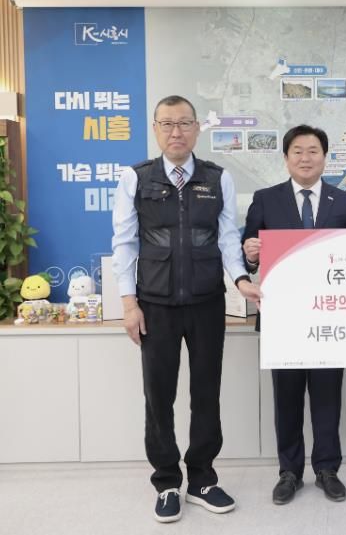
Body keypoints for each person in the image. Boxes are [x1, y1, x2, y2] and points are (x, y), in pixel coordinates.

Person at [112, 95, 260, 523]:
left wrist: (241, 280)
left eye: (184, 123)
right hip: (155, 304)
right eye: (167, 124)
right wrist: (129, 304)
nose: (176, 132)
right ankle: (166, 482)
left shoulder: (217, 178)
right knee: (158, 396)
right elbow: (125, 243)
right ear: (156, 129)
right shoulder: (136, 178)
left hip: (207, 302)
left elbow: (227, 238)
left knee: (206, 393)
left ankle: (202, 479)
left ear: (196, 129)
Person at [241, 124, 346, 505]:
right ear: (286, 157)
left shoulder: (344, 202)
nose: (305, 158)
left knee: (328, 398)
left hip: (329, 319)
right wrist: (251, 254)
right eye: (298, 151)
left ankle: (327, 469)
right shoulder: (266, 199)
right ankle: (289, 472)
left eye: (313, 151)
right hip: (284, 321)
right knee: (287, 399)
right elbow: (248, 251)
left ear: (325, 157)